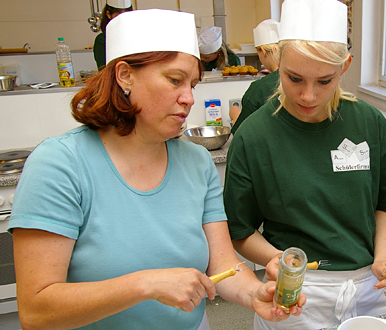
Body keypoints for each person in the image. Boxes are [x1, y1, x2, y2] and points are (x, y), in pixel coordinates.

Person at [9, 9, 303, 330]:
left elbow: (223, 264)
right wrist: (145, 285)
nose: (189, 98)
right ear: (125, 75)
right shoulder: (61, 164)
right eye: (175, 80)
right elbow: (37, 311)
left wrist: (255, 293)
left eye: (193, 84)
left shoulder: (196, 162)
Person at [224, 0, 386, 329]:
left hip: (365, 288)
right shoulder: (255, 136)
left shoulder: (367, 123)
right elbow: (239, 231)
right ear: (278, 62)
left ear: (345, 66)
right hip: (293, 292)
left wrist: (383, 260)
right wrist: (280, 262)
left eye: (325, 81)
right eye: (295, 78)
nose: (309, 96)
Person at [230, 19, 281, 134]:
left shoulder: (258, 89)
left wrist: (235, 114)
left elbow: (241, 133)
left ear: (263, 51)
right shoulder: (302, 80)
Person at [93, 0, 133, 70]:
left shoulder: (136, 36)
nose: (122, 21)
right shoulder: (103, 40)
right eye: (118, 17)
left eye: (126, 17)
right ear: (108, 14)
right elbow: (104, 71)